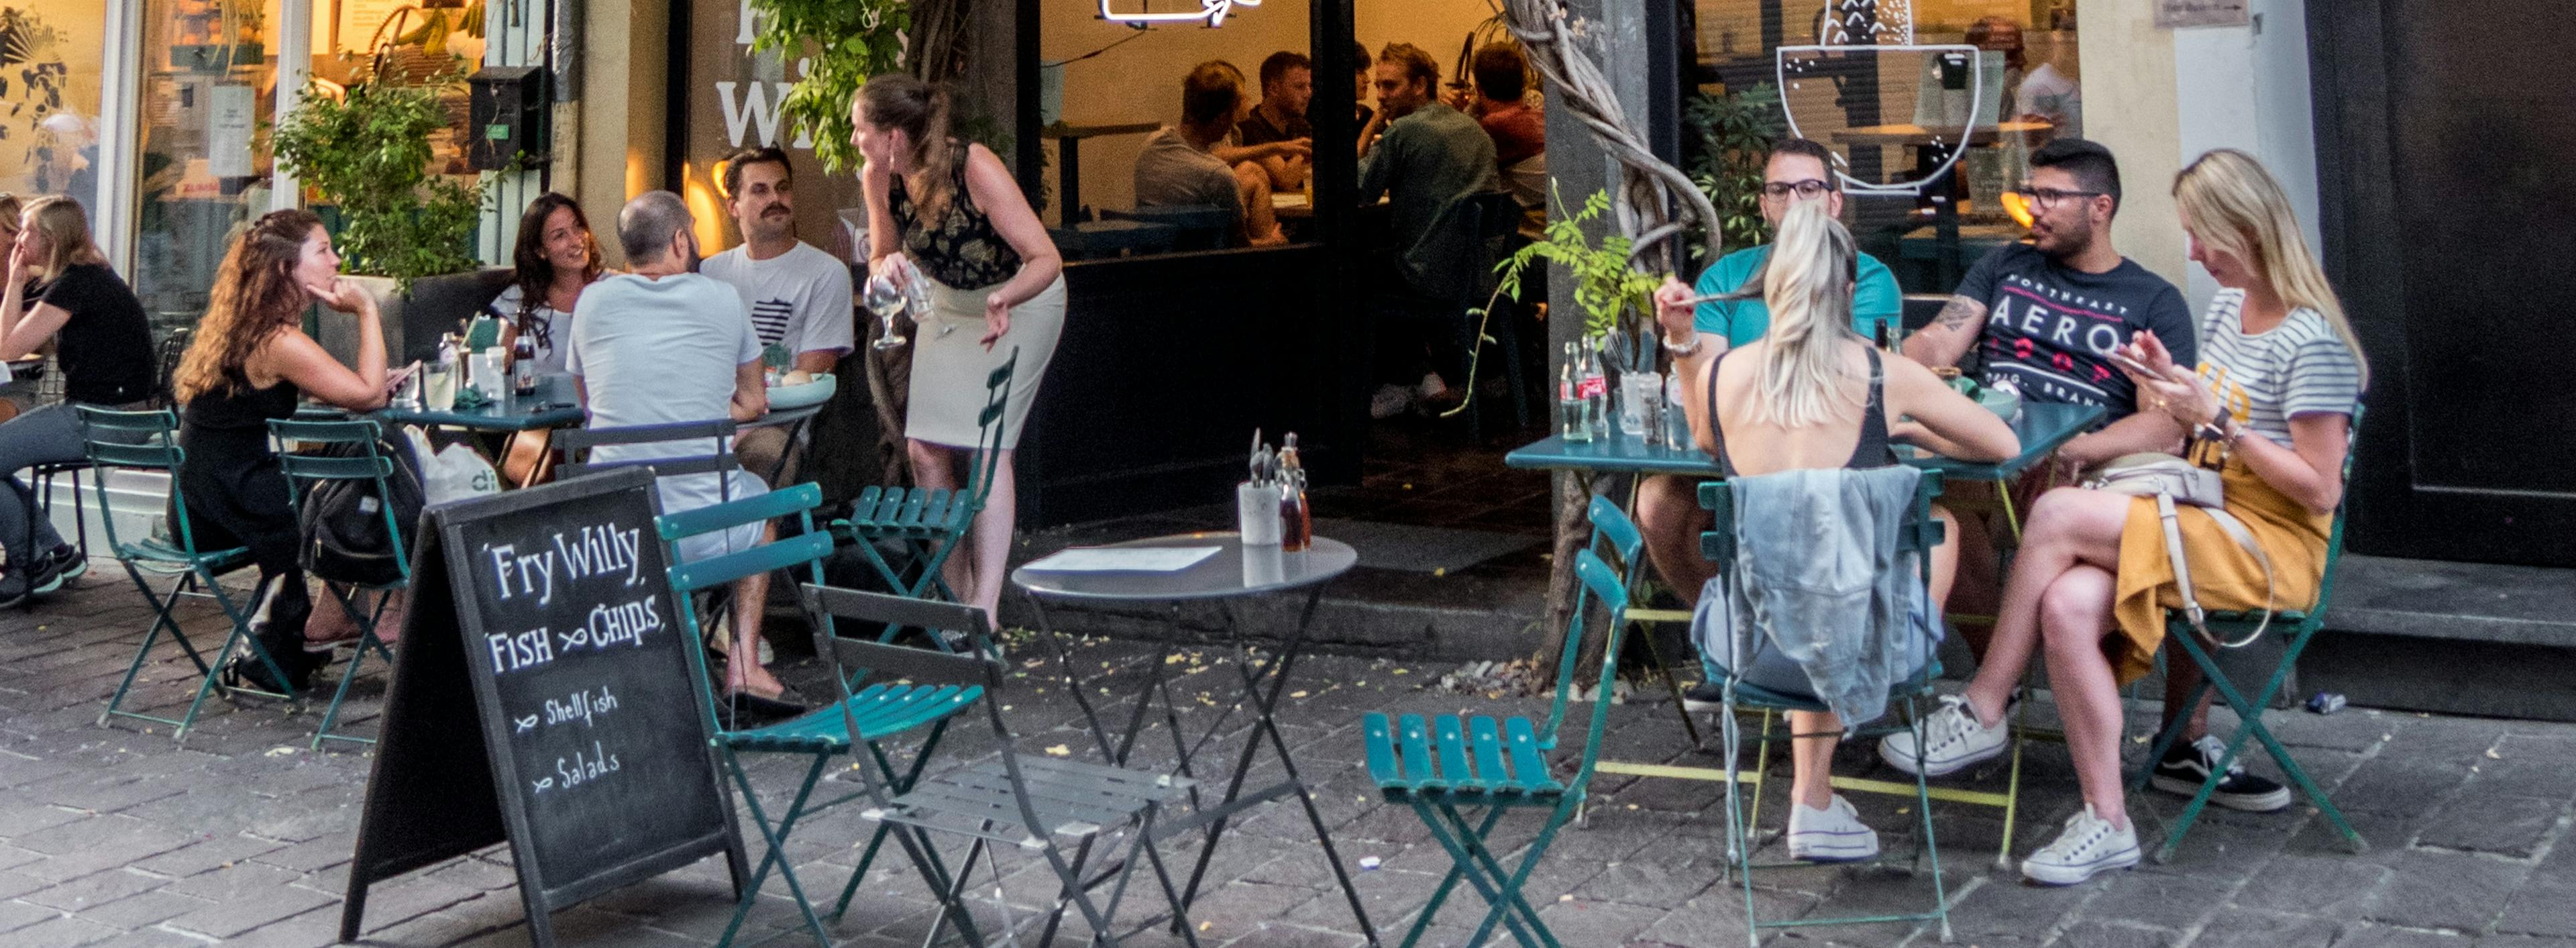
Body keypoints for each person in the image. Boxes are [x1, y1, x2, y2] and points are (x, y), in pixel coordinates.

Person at [1882, 150, 2366, 886]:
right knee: (2069, 603)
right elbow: (2203, 419)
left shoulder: (2314, 344)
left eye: (2205, 237)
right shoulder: (2233, 309)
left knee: (2056, 515)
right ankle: (2105, 821)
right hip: (2206, 511)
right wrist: (2169, 385)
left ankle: (1984, 705)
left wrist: (2220, 424)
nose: (2195, 253)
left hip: (2264, 546)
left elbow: (2319, 493)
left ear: (2250, 230)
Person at [1660, 198, 2019, 861]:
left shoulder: (1722, 376)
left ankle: (1814, 800)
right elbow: (2000, 443)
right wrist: (1916, 430)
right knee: (1932, 524)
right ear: (1849, 290)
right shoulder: (1885, 374)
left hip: (1743, 644)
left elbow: (1705, 437)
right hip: (1866, 647)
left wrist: (1683, 344)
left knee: (1804, 570)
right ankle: (1822, 788)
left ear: (1771, 290)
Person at [1897, 138, 2196, 661]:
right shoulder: (2004, 265)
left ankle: (1999, 685)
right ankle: (1999, 674)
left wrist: (2079, 449)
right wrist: (1884, 364)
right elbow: (1940, 342)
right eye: (2031, 193)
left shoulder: (2152, 301)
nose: (2032, 208)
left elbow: (2166, 426)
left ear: (2100, 207)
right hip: (1985, 456)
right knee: (1933, 513)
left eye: (2051, 196)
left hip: (2079, 473)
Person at [1642, 140, 1909, 643]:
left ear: (1835, 201)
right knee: (1657, 501)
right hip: (1740, 464)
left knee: (1948, 526)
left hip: (1837, 473)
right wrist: (1681, 335)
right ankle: (1731, 638)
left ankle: (1785, 648)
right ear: (1764, 205)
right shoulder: (1728, 276)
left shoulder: (1863, 277)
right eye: (1780, 190)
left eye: (1809, 188)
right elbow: (1711, 388)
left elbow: (1845, 374)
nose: (1794, 201)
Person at [854, 74, 1066, 627]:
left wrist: (1004, 298)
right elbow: (879, 257)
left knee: (988, 448)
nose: (856, 141)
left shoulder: (974, 166)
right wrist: (888, 269)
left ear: (895, 135)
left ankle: (986, 605)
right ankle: (954, 597)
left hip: (1022, 300)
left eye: (861, 131)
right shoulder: (878, 176)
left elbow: (1045, 259)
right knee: (924, 447)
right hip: (950, 306)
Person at [568, 191, 792, 711]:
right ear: (679, 240)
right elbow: (755, 400)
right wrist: (712, 412)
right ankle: (745, 665)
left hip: (615, 532)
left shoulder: (592, 301)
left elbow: (591, 406)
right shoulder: (719, 298)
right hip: (700, 531)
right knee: (761, 513)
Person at [168, 209, 394, 692]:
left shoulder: (250, 326)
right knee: (364, 483)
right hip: (231, 499)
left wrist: (347, 387)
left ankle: (316, 623)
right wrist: (368, 310)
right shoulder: (277, 339)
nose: (336, 260)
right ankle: (342, 614)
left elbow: (339, 389)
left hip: (202, 495)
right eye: (323, 250)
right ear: (285, 269)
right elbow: (370, 395)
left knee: (349, 469)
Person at [0, 195, 154, 604]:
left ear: (51, 239)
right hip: (124, 415)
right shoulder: (90, 276)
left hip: (105, 419)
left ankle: (31, 567)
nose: (19, 238)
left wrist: (15, 279)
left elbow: (6, 349)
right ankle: (54, 553)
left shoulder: (75, 285)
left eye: (28, 229)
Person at [1358, 42, 1500, 418]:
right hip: (1483, 274)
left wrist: (1371, 126)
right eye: (1378, 86)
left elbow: (1359, 192)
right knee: (1388, 263)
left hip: (1432, 277)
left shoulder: (1403, 131)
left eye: (1390, 86)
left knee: (1357, 271)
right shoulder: (1472, 128)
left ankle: (1394, 382)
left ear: (1420, 85)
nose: (1381, 95)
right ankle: (1423, 377)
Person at [702, 146, 857, 481]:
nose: (776, 198)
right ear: (733, 206)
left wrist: (742, 422)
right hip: (708, 421)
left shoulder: (825, 273)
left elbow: (806, 379)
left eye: (782, 187)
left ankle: (766, 535)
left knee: (763, 464)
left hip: (778, 427)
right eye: (760, 190)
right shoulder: (710, 273)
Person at [1134, 62, 1287, 248]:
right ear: (1223, 118)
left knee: (1251, 170)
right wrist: (1271, 243)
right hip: (1203, 263)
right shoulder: (1217, 175)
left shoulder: (1152, 144)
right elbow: (1240, 247)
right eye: (1232, 115)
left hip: (1154, 258)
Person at [485, 193, 606, 376]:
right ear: (540, 250)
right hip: (537, 405)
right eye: (560, 236)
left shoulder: (616, 288)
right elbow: (493, 373)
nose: (576, 241)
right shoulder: (518, 300)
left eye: (578, 227)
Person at [1449, 41, 1545, 211]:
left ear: (1479, 88)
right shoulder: (1539, 116)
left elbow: (1454, 165)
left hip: (1532, 223)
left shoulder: (1493, 127)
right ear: (1523, 84)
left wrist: (1460, 112)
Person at [1235, 51, 1316, 193]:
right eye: (1299, 87)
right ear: (1273, 89)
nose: (1308, 93)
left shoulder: (1300, 125)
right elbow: (1285, 180)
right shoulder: (1251, 128)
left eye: (1309, 86)